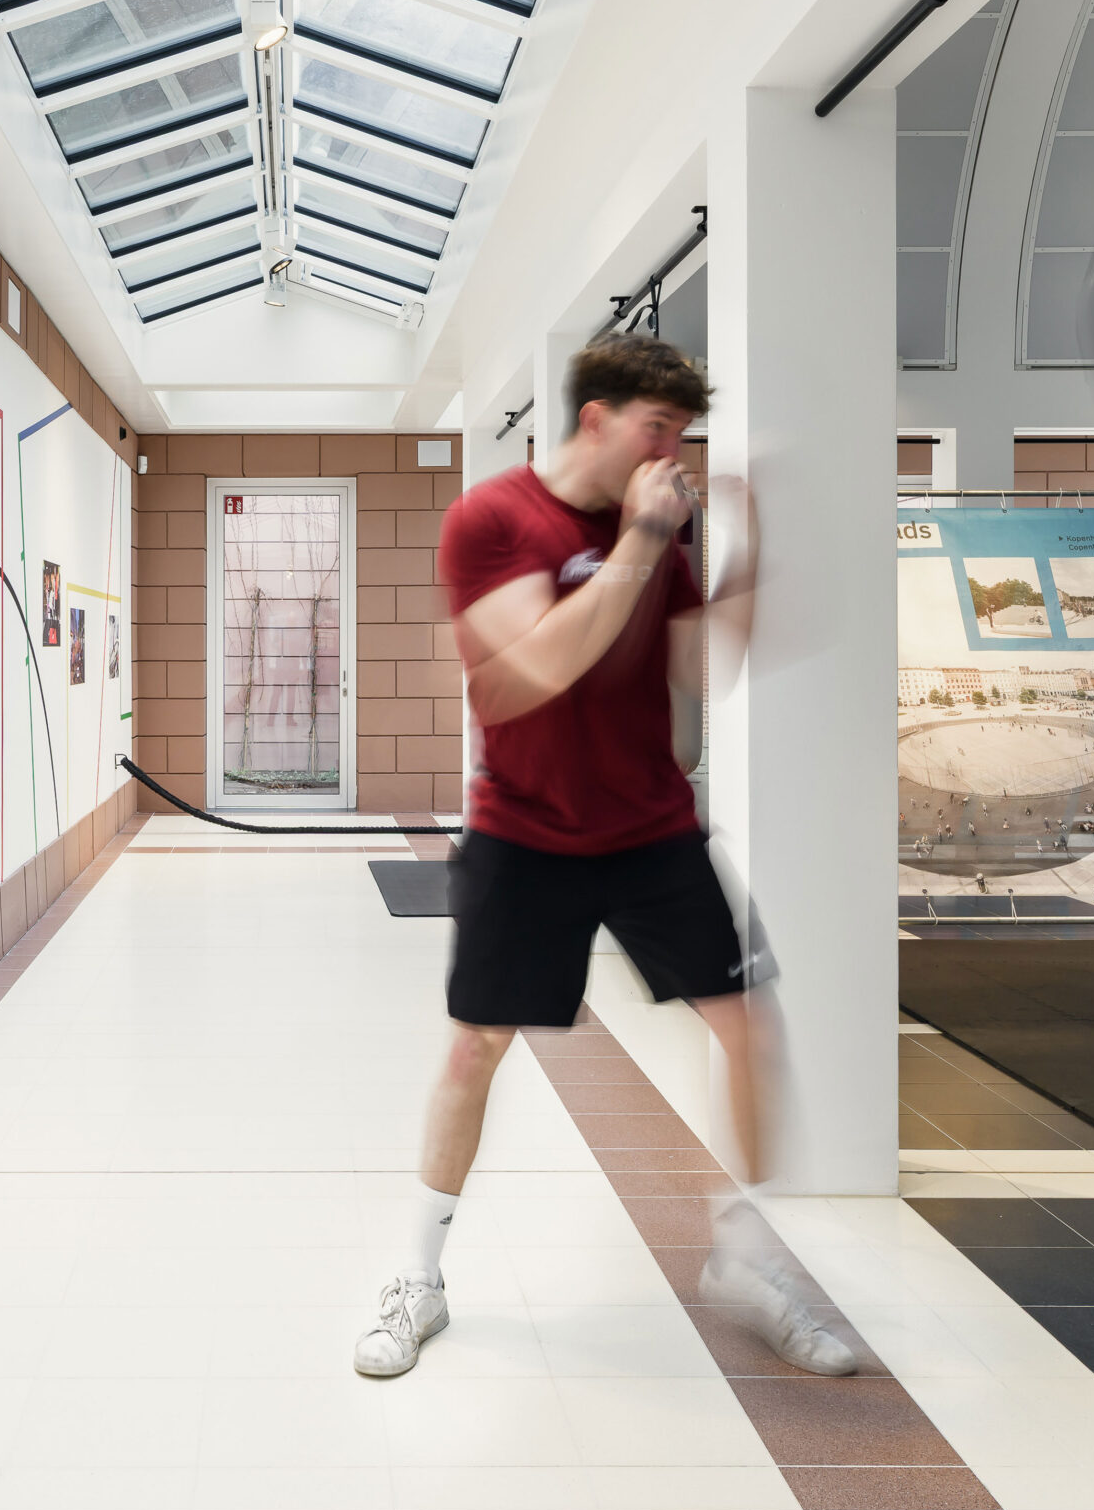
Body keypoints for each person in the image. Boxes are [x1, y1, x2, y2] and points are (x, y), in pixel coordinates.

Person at [352, 332, 858, 1381]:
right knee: (474, 1048)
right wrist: (638, 541)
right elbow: (532, 668)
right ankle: (418, 1276)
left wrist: (749, 544)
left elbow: (699, 662)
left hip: (651, 828)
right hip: (524, 830)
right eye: (658, 428)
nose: (672, 451)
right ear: (597, 419)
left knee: (748, 1027)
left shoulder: (663, 532)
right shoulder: (492, 519)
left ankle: (745, 1257)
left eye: (682, 433)